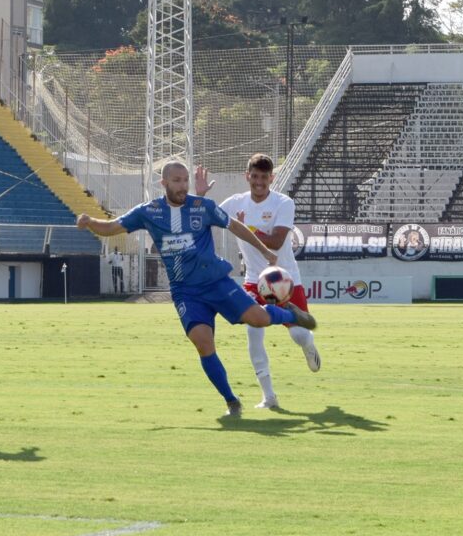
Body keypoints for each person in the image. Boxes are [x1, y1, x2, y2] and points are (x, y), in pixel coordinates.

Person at [76, 160, 317, 417]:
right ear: (164, 183)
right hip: (186, 292)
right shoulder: (148, 211)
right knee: (203, 343)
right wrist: (91, 221)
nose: (182, 186)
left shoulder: (203, 207)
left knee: (258, 319)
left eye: (185, 180)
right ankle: (231, 401)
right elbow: (113, 227)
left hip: (216, 282)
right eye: (177, 181)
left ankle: (292, 314)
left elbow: (235, 226)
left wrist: (264, 250)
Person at [195, 155, 321, 409]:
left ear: (271, 178)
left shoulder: (283, 203)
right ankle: (269, 397)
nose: (259, 182)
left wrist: (247, 226)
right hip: (254, 280)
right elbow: (204, 217)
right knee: (253, 332)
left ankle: (308, 345)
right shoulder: (236, 202)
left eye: (265, 177)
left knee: (298, 334)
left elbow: (275, 243)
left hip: (284, 279)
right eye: (255, 176)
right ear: (247, 176)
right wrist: (200, 197)